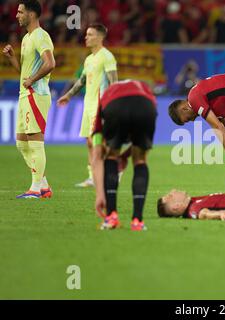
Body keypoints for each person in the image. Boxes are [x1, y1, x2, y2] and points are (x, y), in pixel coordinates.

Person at [2, 0, 55, 199]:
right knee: (21, 143)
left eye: (20, 12)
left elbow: (50, 63)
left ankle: (35, 190)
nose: (17, 15)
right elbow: (24, 73)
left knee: (34, 141)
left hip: (36, 95)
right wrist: (13, 59)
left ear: (31, 14)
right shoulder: (26, 38)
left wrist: (32, 79)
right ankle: (43, 185)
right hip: (25, 94)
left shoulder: (41, 36)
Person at [57, 23, 118, 188]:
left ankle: (110, 173)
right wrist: (68, 96)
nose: (86, 37)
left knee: (98, 142)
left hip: (101, 105)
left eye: (90, 34)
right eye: (86, 34)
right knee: (89, 143)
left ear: (100, 37)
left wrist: (112, 104)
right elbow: (82, 81)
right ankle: (93, 176)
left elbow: (114, 82)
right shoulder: (89, 59)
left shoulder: (107, 57)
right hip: (88, 105)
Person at [91, 80, 157, 231]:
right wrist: (127, 156)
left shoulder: (104, 100)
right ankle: (137, 221)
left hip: (116, 106)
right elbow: (137, 144)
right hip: (145, 106)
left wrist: (100, 195)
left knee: (111, 155)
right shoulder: (144, 88)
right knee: (140, 159)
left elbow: (96, 155)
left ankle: (111, 217)